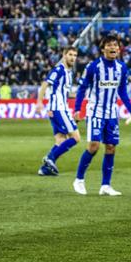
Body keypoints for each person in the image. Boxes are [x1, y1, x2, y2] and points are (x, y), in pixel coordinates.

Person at [72, 35, 131, 196]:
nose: (113, 48)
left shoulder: (121, 68)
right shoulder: (93, 67)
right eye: (109, 45)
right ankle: (79, 180)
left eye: (115, 45)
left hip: (112, 113)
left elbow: (122, 91)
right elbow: (82, 89)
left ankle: (105, 186)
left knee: (111, 147)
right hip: (95, 111)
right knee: (94, 146)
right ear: (103, 49)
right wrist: (77, 109)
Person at [36, 47, 81, 175]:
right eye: (70, 55)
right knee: (76, 138)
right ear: (64, 55)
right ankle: (50, 158)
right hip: (59, 108)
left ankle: (45, 169)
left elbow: (66, 93)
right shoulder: (59, 69)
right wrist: (39, 102)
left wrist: (82, 96)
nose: (73, 57)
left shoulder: (69, 72)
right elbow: (45, 84)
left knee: (60, 139)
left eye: (75, 55)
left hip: (57, 108)